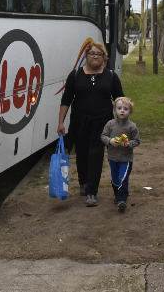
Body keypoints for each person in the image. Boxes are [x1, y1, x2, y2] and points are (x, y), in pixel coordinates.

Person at [57, 41, 124, 207]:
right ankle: (84, 182)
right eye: (92, 53)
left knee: (96, 154)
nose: (95, 56)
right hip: (79, 121)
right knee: (82, 153)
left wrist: (120, 120)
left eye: (99, 54)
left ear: (104, 58)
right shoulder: (75, 75)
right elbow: (66, 99)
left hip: (102, 122)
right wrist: (61, 122)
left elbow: (119, 99)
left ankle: (92, 192)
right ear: (86, 56)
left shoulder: (111, 76)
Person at [100, 97, 140, 212]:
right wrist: (110, 141)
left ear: (130, 112)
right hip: (113, 157)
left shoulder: (132, 126)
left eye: (125, 109)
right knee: (115, 179)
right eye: (119, 108)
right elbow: (103, 136)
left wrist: (128, 144)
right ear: (115, 110)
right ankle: (118, 196)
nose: (122, 111)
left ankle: (122, 200)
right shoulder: (110, 124)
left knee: (123, 177)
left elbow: (137, 141)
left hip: (126, 158)